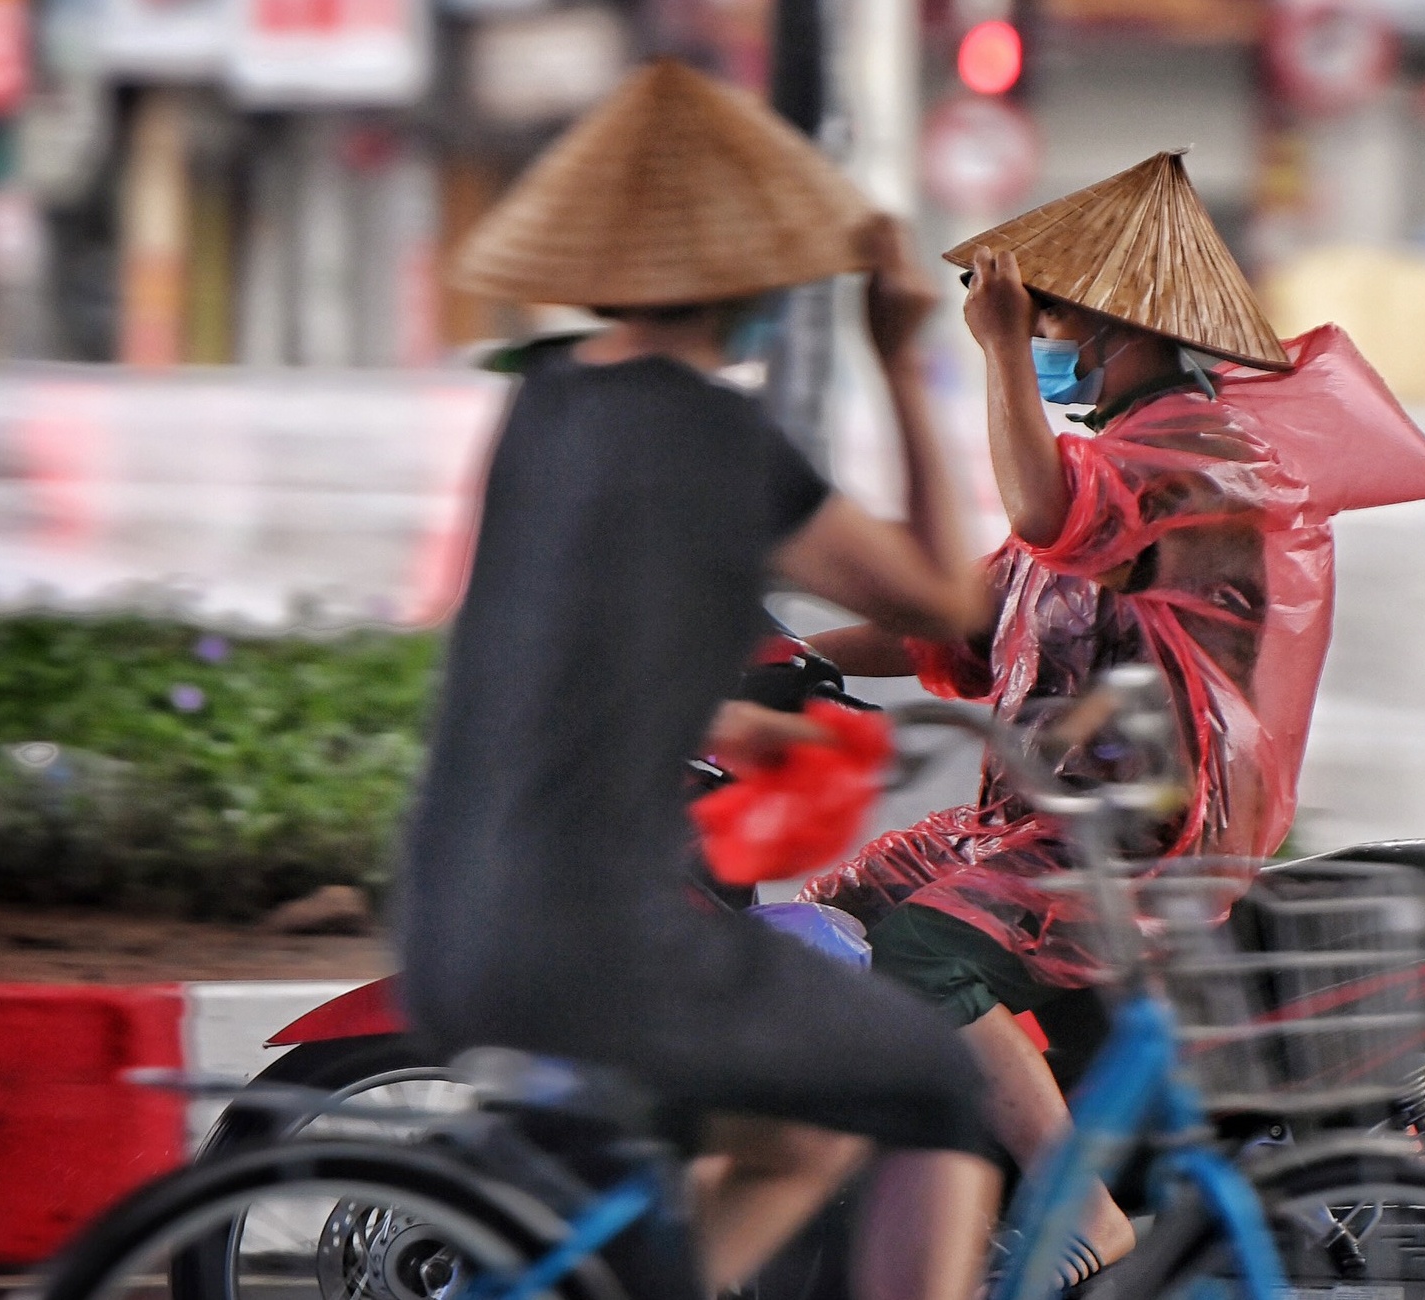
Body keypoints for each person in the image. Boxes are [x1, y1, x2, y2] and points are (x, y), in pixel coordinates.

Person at [801, 149, 1425, 1288]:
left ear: (1116, 328)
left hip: (1143, 833)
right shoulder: (1122, 456)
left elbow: (1041, 511)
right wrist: (781, 656)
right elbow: (969, 612)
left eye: (1054, 318)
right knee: (836, 916)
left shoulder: (1202, 457)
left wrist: (1000, 350)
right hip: (1045, 814)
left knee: (921, 951)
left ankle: (1084, 1216)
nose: (1041, 337)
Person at [396, 60, 998, 1300]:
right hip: (602, 943)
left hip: (453, 922)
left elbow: (556, 652)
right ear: (754, 280)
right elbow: (949, 602)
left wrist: (711, 713)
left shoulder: (547, 403)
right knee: (938, 1084)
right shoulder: (719, 442)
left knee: (801, 1133)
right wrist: (898, 358)